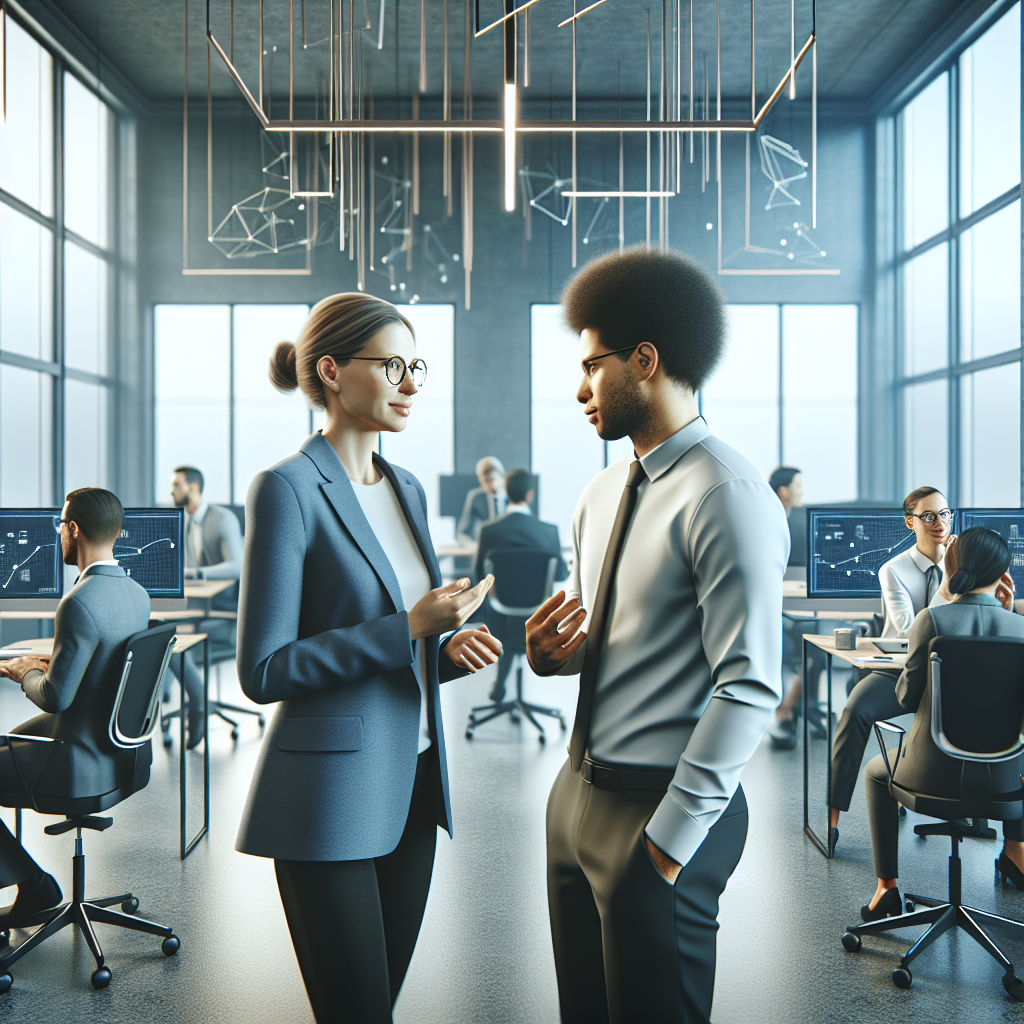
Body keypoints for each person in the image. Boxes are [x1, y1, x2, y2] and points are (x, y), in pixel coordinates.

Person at [525, 247, 789, 1024]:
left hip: (661, 808)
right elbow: (610, 639)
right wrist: (552, 660)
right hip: (576, 793)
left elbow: (749, 683)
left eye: (591, 366)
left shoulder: (727, 493)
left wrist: (670, 842)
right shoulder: (601, 491)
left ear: (645, 360)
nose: (578, 390)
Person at [234, 293, 502, 1024]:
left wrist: (442, 652)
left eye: (415, 366)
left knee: (378, 1006)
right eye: (393, 365)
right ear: (331, 369)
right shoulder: (288, 489)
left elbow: (399, 649)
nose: (412, 383)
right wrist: (406, 627)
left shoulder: (407, 488)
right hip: (329, 796)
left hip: (413, 784)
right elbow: (263, 671)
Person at [0, 488, 150, 929]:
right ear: (118, 534)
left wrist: (24, 671)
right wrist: (52, 663)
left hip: (77, 760)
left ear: (73, 529)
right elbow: (104, 668)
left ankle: (35, 885)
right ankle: (34, 884)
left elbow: (55, 697)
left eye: (60, 526)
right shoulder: (136, 595)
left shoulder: (79, 602)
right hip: (117, 753)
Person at [859, 529, 1023, 920]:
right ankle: (1016, 852)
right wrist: (1010, 611)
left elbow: (905, 699)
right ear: (1003, 574)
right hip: (1005, 781)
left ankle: (886, 889)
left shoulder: (930, 620)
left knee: (876, 772)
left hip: (931, 774)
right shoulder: (1021, 629)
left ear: (951, 565)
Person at [828, 485, 954, 853]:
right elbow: (909, 630)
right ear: (909, 522)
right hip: (899, 671)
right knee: (856, 709)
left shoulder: (964, 562)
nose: (939, 523)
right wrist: (948, 582)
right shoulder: (893, 570)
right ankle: (833, 819)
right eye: (928, 516)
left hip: (947, 673)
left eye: (944, 514)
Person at [165, 465, 245, 750]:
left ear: (193, 487)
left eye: (176, 484)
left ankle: (197, 702)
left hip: (227, 615)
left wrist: (197, 574)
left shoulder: (222, 519)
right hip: (198, 610)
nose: (171, 490)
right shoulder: (183, 522)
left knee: (171, 643)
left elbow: (238, 567)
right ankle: (193, 700)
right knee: (164, 636)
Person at [472, 468, 568, 704]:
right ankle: (503, 684)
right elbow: (561, 574)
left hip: (498, 614)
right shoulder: (549, 531)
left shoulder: (489, 530)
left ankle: (500, 684)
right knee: (520, 623)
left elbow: (477, 576)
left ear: (506, 491)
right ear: (530, 494)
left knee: (507, 621)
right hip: (537, 616)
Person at [766, 465, 818, 750]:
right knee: (802, 644)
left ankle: (790, 707)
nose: (802, 491)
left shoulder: (790, 519)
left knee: (816, 639)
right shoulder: (771, 521)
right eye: (798, 485)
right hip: (776, 608)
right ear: (784, 491)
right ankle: (786, 709)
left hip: (790, 603)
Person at [456, 456, 506, 544]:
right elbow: (462, 533)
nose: (490, 486)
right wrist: (473, 547)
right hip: (484, 548)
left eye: (492, 480)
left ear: (502, 477)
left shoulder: (512, 494)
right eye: (484, 482)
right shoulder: (476, 497)